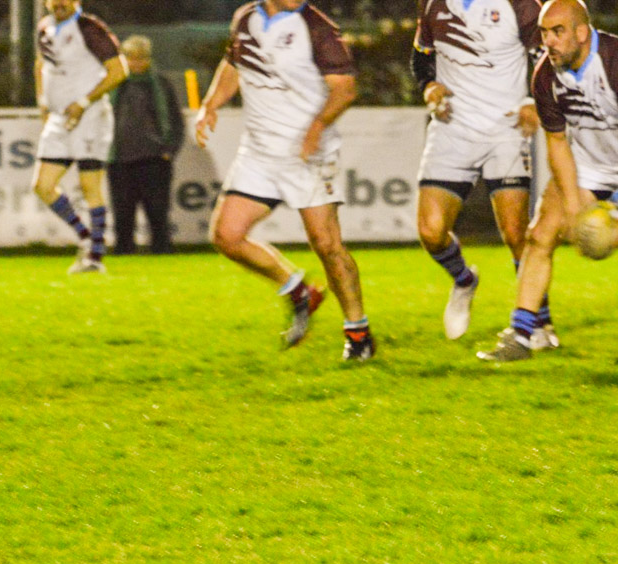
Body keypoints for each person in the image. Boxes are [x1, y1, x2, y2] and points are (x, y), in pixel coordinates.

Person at [476, 0, 618, 363]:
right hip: (591, 162)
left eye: (557, 32)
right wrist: (572, 205)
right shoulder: (544, 75)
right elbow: (555, 141)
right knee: (539, 236)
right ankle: (522, 335)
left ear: (581, 32)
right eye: (543, 33)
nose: (548, 41)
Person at [195, 0, 375, 360]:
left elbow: (345, 88)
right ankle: (299, 293)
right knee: (227, 236)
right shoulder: (246, 19)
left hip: (308, 153)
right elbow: (233, 63)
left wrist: (317, 127)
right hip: (259, 153)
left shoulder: (316, 26)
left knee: (326, 244)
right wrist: (211, 103)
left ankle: (358, 333)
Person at [412, 0, 553, 345]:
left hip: (506, 127)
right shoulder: (432, 4)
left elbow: (546, 55)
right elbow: (421, 57)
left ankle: (539, 323)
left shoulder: (520, 5)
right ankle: (463, 281)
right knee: (431, 232)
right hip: (451, 127)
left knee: (516, 232)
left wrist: (534, 101)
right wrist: (429, 86)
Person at [33, 0, 126, 274]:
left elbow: (119, 70)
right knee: (43, 186)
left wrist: (84, 102)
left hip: (91, 115)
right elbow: (41, 65)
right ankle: (87, 238)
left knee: (89, 186)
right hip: (60, 117)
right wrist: (42, 104)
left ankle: (95, 259)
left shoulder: (90, 28)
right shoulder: (44, 27)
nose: (59, 3)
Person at [107, 35, 185, 255]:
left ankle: (161, 250)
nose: (137, 63)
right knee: (122, 213)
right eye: (131, 58)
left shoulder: (161, 84)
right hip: (119, 159)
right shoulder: (112, 84)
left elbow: (176, 121)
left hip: (154, 159)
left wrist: (168, 151)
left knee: (158, 211)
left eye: (142, 58)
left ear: (149, 59)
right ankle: (123, 251)